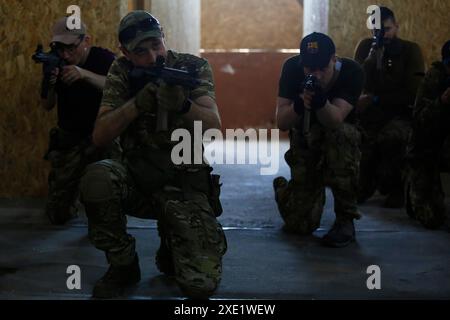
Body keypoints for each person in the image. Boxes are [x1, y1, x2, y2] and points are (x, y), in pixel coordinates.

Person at [79, 11, 227, 299]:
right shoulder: (121, 71)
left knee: (200, 285)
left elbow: (213, 125)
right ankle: (123, 265)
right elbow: (100, 135)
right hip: (138, 180)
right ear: (125, 52)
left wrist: (183, 106)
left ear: (164, 39)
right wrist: (137, 104)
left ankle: (173, 243)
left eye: (156, 45)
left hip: (184, 184)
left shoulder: (191, 67)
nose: (153, 57)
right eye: (141, 51)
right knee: (98, 178)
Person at [273, 32, 364, 248]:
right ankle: (283, 190)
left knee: (342, 134)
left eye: (323, 68)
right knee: (300, 225)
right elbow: (282, 122)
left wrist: (320, 101)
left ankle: (345, 218)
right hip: (305, 142)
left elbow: (335, 120)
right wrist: (299, 103)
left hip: (339, 142)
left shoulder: (352, 71)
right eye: (310, 69)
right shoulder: (291, 68)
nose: (317, 74)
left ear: (334, 59)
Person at [41, 17, 118, 225]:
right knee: (58, 215)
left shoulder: (104, 59)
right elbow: (47, 105)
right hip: (70, 139)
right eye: (60, 48)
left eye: (71, 47)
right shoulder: (55, 61)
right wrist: (50, 83)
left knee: (107, 213)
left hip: (102, 138)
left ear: (87, 41)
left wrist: (83, 74)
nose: (66, 54)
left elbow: (119, 90)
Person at [354, 6, 425, 208]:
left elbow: (413, 93)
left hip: (398, 115)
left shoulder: (410, 50)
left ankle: (396, 187)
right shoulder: (366, 47)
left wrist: (376, 99)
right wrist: (370, 60)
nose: (382, 35)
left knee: (392, 139)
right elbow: (357, 83)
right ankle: (368, 182)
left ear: (396, 27)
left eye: (386, 29)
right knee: (358, 140)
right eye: (376, 31)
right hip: (371, 116)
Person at [404, 40, 450, 230]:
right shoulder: (435, 77)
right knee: (432, 219)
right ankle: (412, 185)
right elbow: (419, 120)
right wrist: (443, 101)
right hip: (428, 149)